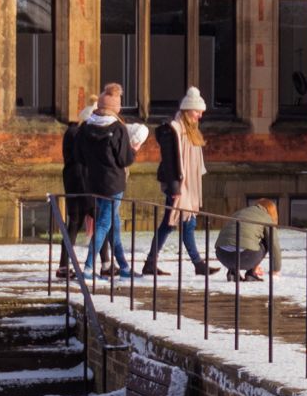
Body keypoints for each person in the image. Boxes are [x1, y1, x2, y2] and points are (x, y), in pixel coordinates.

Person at [62, 85, 135, 279]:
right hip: (114, 184)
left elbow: (79, 155)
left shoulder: (86, 127)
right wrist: (133, 148)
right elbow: (125, 159)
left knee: (114, 225)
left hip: (94, 183)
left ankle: (124, 267)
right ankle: (87, 268)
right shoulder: (118, 128)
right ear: (114, 107)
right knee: (103, 225)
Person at [149, 86, 216, 274]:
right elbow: (170, 163)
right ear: (187, 110)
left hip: (189, 188)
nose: (200, 116)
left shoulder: (191, 132)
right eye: (197, 111)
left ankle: (150, 262)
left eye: (201, 112)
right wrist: (175, 187)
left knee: (170, 225)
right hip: (179, 186)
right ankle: (198, 264)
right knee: (184, 223)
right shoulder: (174, 130)